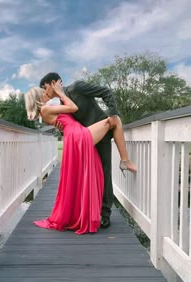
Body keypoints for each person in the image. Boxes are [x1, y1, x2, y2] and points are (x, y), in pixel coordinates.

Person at [25, 80, 136, 234]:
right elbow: (74, 108)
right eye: (43, 93)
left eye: (45, 91)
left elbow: (69, 117)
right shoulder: (45, 109)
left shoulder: (48, 109)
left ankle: (88, 212)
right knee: (114, 120)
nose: (46, 94)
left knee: (90, 173)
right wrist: (62, 94)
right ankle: (125, 161)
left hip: (74, 137)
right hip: (79, 137)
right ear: (38, 98)